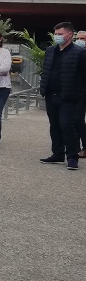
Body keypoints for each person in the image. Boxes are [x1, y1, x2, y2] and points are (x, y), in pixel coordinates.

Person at [39, 22, 86, 170]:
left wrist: (80, 95)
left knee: (67, 126)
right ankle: (57, 153)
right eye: (56, 34)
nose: (57, 36)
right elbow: (46, 71)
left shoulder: (79, 53)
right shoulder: (50, 51)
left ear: (70, 35)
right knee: (55, 126)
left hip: (70, 97)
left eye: (60, 34)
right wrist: (44, 89)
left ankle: (72, 157)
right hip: (51, 95)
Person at [77, 31, 86, 159]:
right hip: (79, 92)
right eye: (78, 38)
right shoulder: (75, 53)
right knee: (78, 119)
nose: (79, 41)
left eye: (83, 38)